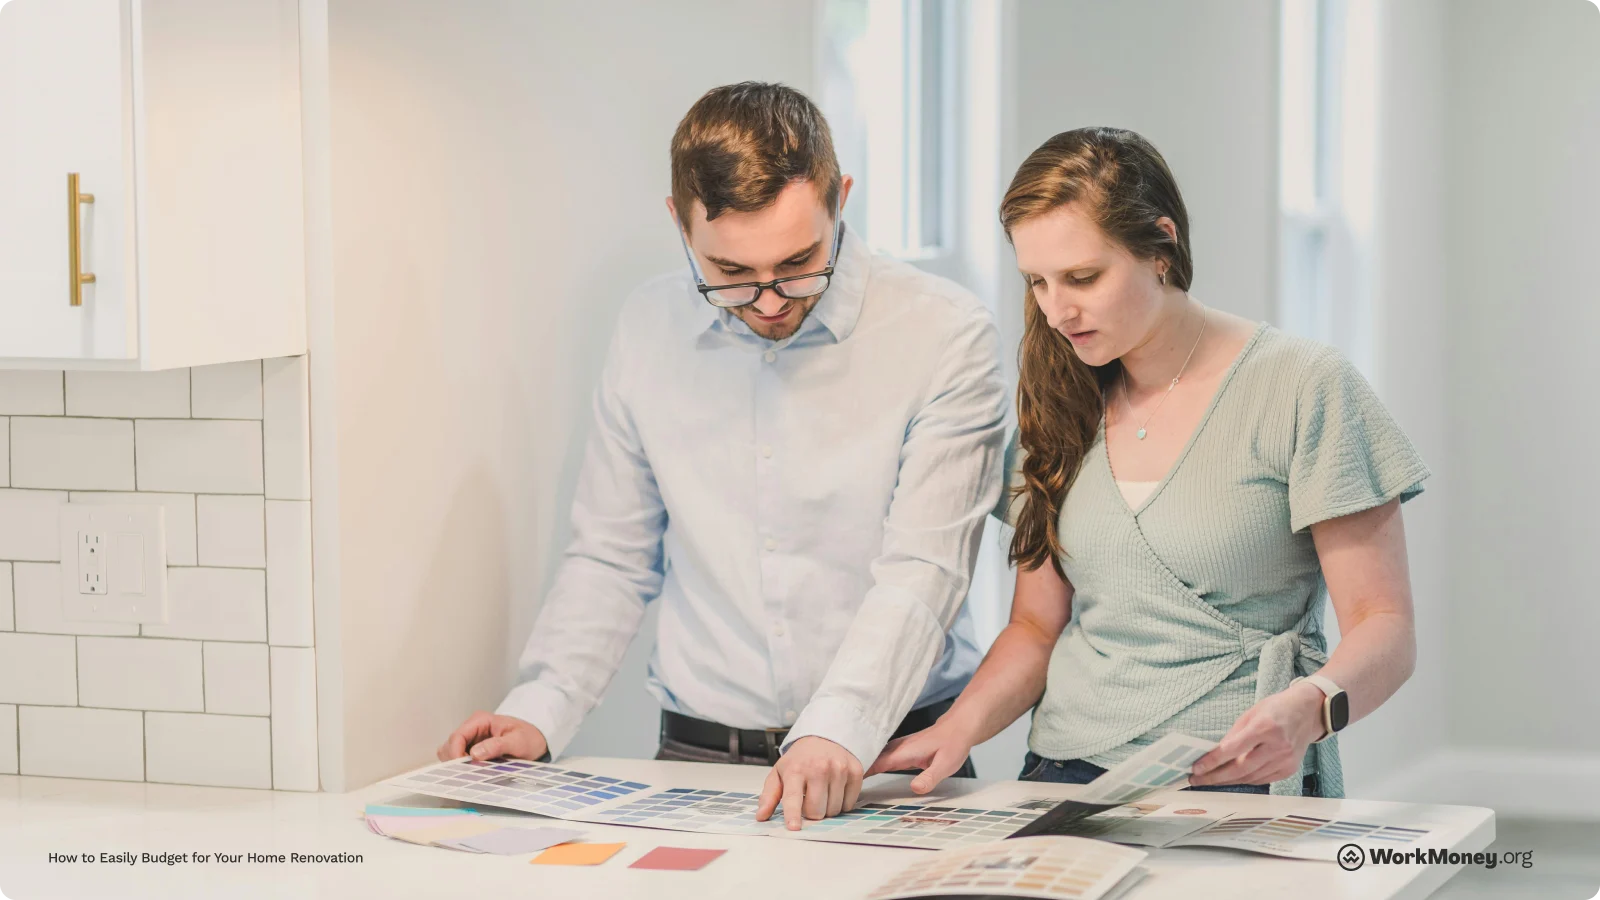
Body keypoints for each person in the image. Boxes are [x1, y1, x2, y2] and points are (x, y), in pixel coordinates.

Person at [437, 82, 1007, 829]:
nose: (770, 300)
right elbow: (612, 554)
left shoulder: (943, 332)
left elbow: (923, 571)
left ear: (842, 198)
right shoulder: (648, 328)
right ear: (679, 223)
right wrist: (541, 710)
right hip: (698, 759)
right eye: (732, 274)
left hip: (889, 757)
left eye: (800, 261)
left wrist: (839, 725)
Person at [871, 127, 1428, 798]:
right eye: (1037, 282)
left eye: (1083, 277)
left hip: (1236, 774)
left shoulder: (1304, 387)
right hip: (1063, 775)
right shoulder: (1056, 401)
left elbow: (1385, 628)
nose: (1057, 310)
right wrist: (957, 729)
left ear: (1161, 245)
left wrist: (1311, 709)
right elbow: (1034, 626)